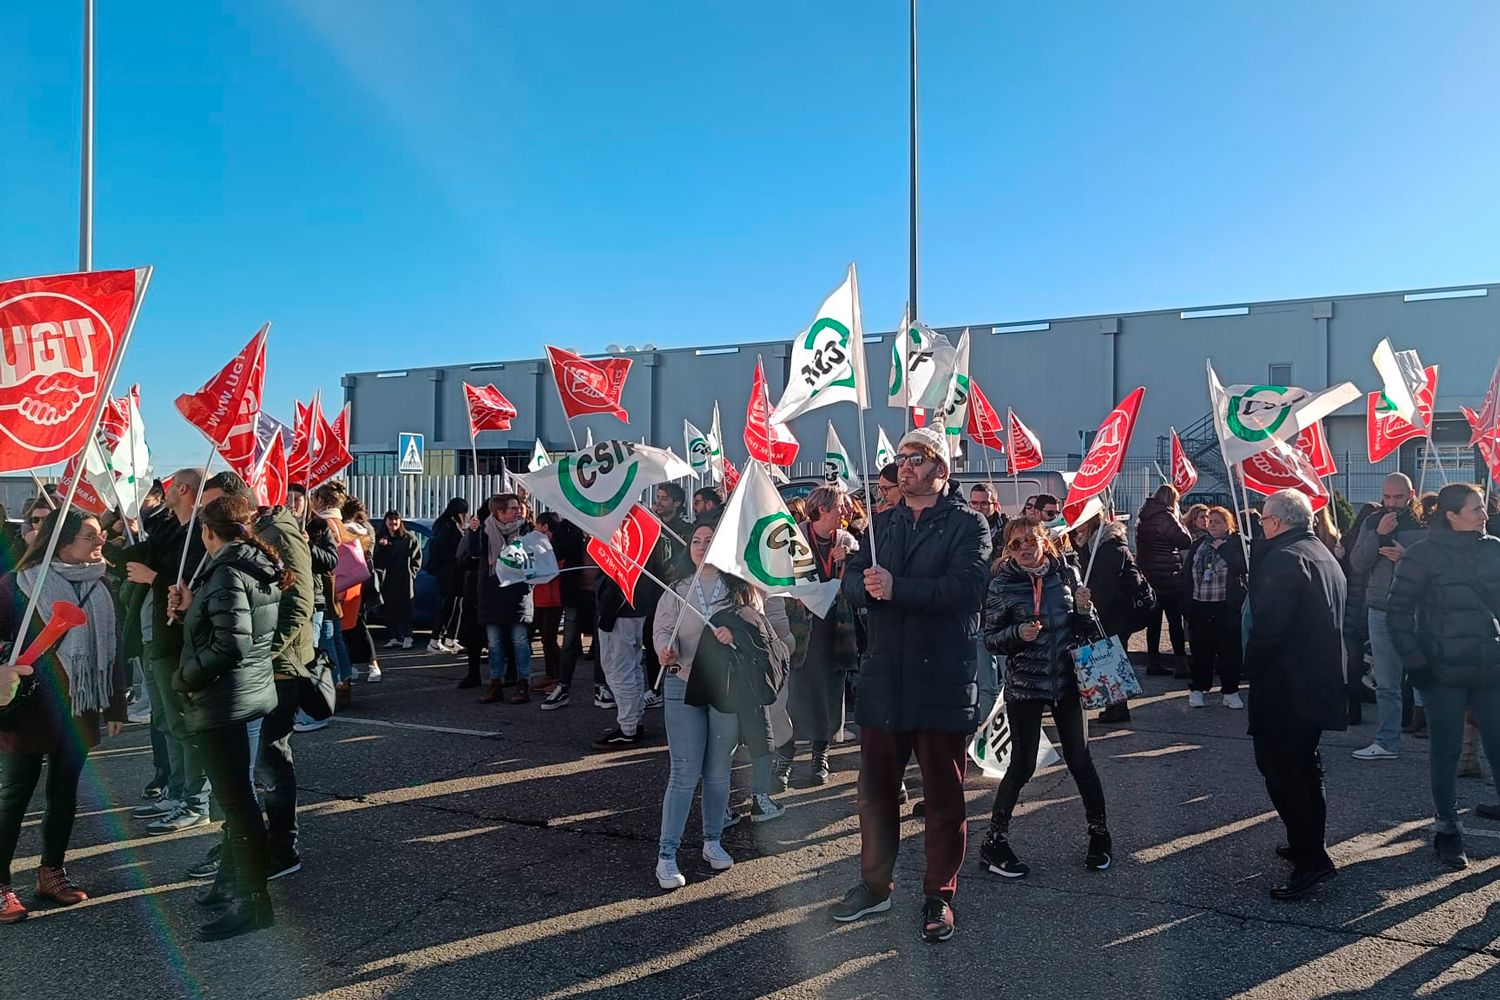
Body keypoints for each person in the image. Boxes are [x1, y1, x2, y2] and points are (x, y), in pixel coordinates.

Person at [830, 426, 990, 945]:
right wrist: (866, 589)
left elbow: (965, 591)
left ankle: (939, 894)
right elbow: (852, 580)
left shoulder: (970, 524)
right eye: (900, 457)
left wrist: (899, 588)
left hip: (941, 677)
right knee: (875, 794)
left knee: (944, 797)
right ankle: (875, 886)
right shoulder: (882, 522)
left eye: (917, 458)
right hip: (883, 680)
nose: (905, 465)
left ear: (941, 469)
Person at [168, 494, 290, 939]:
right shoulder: (255, 563)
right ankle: (231, 883)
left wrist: (186, 678)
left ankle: (253, 903)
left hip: (226, 702)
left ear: (208, 532)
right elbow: (240, 629)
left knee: (238, 807)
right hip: (250, 694)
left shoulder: (226, 573)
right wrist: (189, 609)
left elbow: (231, 644)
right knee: (240, 801)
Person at [0, 510, 126, 924]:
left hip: (80, 707)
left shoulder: (102, 584)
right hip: (27, 708)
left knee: (64, 793)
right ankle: (1, 889)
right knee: (14, 797)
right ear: (64, 540)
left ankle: (51, 874)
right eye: (90, 535)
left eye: (100, 534)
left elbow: (113, 647)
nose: (99, 541)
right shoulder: (17, 585)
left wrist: (114, 705)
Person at [653, 525, 793, 888]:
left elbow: (760, 636)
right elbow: (662, 629)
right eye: (695, 541)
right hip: (681, 685)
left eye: (709, 540)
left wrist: (736, 635)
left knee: (718, 771)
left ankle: (712, 841)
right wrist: (663, 650)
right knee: (684, 772)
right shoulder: (677, 590)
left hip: (726, 690)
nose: (701, 546)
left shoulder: (743, 592)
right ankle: (666, 856)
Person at [979, 519, 1110, 880]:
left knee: (1080, 760)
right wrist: (1017, 633)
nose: (1025, 547)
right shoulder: (1002, 584)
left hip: (1068, 682)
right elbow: (990, 638)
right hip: (1026, 685)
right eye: (1017, 542)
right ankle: (994, 841)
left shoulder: (1066, 574)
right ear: (1009, 548)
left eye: (1031, 539)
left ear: (1045, 541)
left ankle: (1099, 835)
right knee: (1021, 766)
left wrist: (1085, 611)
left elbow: (1088, 630)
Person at [1386, 483, 1500, 869]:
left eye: (1483, 507)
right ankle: (1447, 829)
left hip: (1491, 668)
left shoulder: (1494, 549)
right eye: (1476, 508)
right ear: (1451, 516)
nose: (1485, 514)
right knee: (1446, 752)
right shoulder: (1423, 556)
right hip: (1442, 672)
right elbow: (1397, 613)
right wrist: (1416, 662)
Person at [1244, 489, 1347, 900]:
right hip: (1315, 681)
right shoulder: (1319, 550)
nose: (1262, 526)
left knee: (1284, 772)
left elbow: (1268, 630)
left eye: (1265, 520)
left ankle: (1312, 859)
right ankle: (1306, 844)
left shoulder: (1285, 559)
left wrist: (1246, 667)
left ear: (1280, 521)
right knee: (1305, 767)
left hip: (1287, 685)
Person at [117, 469, 213, 835]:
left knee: (184, 726)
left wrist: (154, 578)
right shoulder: (171, 529)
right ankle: (177, 791)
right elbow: (135, 557)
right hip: (156, 637)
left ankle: (195, 801)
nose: (165, 490)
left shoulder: (201, 534)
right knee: (168, 724)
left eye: (172, 486)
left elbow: (190, 582)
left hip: (177, 642)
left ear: (184, 489)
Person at [782, 486, 858, 787]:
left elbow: (860, 577)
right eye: (841, 506)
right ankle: (784, 758)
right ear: (823, 508)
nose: (847, 511)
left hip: (833, 629)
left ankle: (820, 755)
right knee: (795, 692)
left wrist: (850, 557)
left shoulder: (846, 540)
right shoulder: (795, 537)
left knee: (830, 691)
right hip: (800, 627)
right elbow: (780, 577)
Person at [1350, 473, 1427, 761]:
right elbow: (1357, 563)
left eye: (1398, 497)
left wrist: (1407, 556)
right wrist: (1378, 534)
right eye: (1387, 497)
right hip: (1381, 609)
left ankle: (1443, 743)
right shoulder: (1372, 522)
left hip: (1420, 609)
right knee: (1386, 682)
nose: (1392, 503)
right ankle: (1387, 742)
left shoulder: (1426, 524)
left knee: (1428, 678)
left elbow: (1439, 567)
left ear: (1412, 494)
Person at [1068, 514, 1143, 724]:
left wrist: (1091, 609)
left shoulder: (1109, 548)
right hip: (1107, 611)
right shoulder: (1092, 545)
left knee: (1112, 659)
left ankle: (1118, 709)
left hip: (1113, 612)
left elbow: (1104, 586)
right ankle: (1115, 706)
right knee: (1109, 658)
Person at [470, 494, 538, 704]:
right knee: (495, 644)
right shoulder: (486, 529)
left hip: (517, 593)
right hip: (492, 592)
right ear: (499, 512)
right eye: (513, 508)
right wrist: (473, 532)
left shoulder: (527, 530)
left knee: (519, 641)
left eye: (518, 508)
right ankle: (495, 684)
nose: (518, 511)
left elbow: (535, 560)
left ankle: (522, 684)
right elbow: (474, 553)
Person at [1183, 506, 1248, 709]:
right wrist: (1185, 604)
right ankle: (1198, 690)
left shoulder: (1236, 543)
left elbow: (1242, 566)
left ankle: (1230, 691)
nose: (1212, 525)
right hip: (1201, 606)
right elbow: (1187, 574)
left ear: (1228, 524)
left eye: (1218, 521)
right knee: (1201, 651)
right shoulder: (1199, 545)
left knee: (1229, 652)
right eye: (1210, 521)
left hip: (1225, 607)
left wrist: (1224, 549)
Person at [537, 514, 595, 710]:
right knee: (569, 643)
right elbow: (557, 552)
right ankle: (562, 686)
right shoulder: (569, 526)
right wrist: (579, 529)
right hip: (575, 593)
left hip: (601, 593)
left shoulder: (607, 520)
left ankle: (602, 687)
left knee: (604, 645)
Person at [1136, 485, 1193, 676]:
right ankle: (1181, 664)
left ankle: (1153, 662)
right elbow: (1185, 541)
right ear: (1172, 500)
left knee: (1154, 622)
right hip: (1168, 575)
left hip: (1149, 574)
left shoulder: (1143, 517)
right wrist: (1180, 521)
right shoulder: (1166, 517)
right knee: (1174, 621)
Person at [1339, 501, 1383, 725]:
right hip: (1370, 607)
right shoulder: (1377, 539)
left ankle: (1353, 710)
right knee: (1380, 660)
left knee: (1354, 663)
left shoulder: (1347, 540)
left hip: (1351, 608)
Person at [340, 497, 382, 684]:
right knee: (352, 626)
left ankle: (372, 664)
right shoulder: (365, 528)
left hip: (355, 582)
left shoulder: (356, 528)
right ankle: (356, 664)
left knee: (358, 624)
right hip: (359, 580)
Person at [374, 510, 423, 650]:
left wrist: (411, 573)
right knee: (390, 609)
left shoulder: (409, 538)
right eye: (390, 519)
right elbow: (377, 560)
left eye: (396, 519)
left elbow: (417, 560)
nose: (393, 523)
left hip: (404, 579)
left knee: (405, 609)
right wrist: (381, 548)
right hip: (387, 579)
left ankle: (407, 636)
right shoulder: (381, 538)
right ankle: (395, 637)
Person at [426, 498, 470, 654]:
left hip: (455, 573)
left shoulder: (450, 525)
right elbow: (440, 550)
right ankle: (434, 640)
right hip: (449, 573)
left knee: (456, 606)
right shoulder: (448, 526)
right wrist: (455, 559)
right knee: (447, 606)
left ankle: (451, 639)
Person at [530, 514, 566, 694]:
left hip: (553, 597)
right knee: (545, 638)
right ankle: (550, 674)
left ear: (545, 527)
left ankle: (557, 677)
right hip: (541, 595)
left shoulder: (556, 545)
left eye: (537, 525)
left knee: (549, 638)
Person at [969, 483, 1007, 552]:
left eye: (984, 503)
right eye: (974, 503)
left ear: (995, 505)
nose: (978, 508)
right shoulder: (962, 527)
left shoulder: (1007, 528)